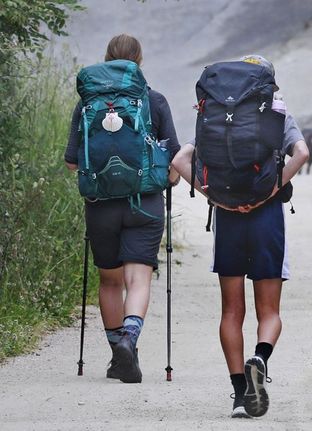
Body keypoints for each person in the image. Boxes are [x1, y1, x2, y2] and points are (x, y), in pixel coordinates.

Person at [171, 54, 309, 419]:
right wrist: (269, 191)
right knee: (270, 310)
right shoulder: (276, 113)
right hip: (267, 219)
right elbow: (303, 153)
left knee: (231, 310)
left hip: (228, 219)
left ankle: (238, 394)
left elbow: (180, 160)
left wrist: (214, 197)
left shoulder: (215, 115)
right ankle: (259, 359)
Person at [64, 34, 181, 383]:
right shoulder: (153, 100)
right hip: (144, 204)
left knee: (110, 280)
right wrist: (169, 179)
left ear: (106, 58)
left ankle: (119, 354)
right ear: (138, 62)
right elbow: (174, 161)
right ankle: (130, 339)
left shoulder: (87, 104)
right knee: (138, 278)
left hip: (100, 205)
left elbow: (72, 163)